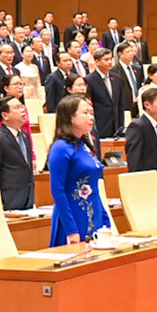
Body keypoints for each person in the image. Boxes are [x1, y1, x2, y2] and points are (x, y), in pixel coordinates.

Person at [47, 95, 111, 242]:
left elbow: (93, 186)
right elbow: (57, 189)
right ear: (71, 117)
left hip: (94, 213)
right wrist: (71, 230)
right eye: (85, 113)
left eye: (91, 113)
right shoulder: (60, 147)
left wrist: (105, 219)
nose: (91, 117)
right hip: (73, 216)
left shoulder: (84, 145)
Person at [0, 95, 36, 210]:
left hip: (28, 200)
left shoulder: (24, 135)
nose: (22, 110)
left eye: (22, 106)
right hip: (8, 202)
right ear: (5, 115)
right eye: (17, 107)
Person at [121, 85, 157, 191]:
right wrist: (137, 185)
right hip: (146, 186)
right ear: (147, 105)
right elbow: (134, 159)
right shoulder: (137, 126)